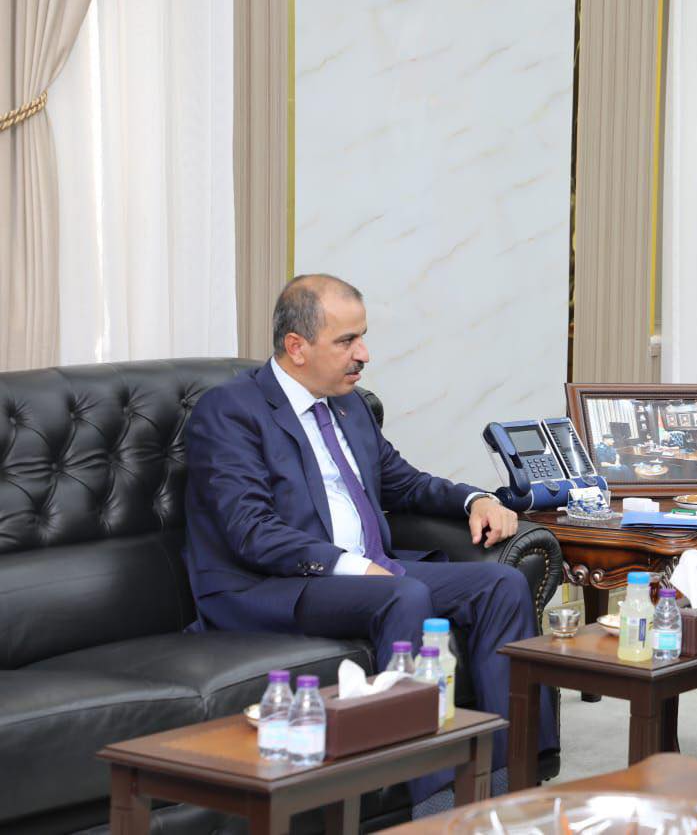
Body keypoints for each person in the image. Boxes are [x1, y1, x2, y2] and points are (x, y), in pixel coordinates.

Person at [182, 274, 557, 815]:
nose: (364, 354)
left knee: (501, 584)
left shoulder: (350, 405)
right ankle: (434, 803)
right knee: (402, 595)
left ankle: (514, 780)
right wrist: (352, 568)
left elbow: (404, 483)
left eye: (362, 337)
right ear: (297, 347)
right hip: (270, 584)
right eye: (347, 341)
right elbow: (250, 530)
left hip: (369, 570)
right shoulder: (231, 410)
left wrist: (474, 499)